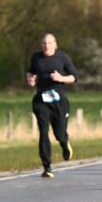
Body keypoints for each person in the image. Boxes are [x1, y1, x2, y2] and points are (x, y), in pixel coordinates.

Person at [27, 33, 79, 178]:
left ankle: (64, 143)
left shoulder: (62, 58)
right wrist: (30, 79)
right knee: (43, 132)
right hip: (41, 99)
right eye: (44, 43)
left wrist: (60, 78)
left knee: (59, 133)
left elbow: (75, 77)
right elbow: (31, 71)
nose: (46, 46)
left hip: (59, 100)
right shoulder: (36, 58)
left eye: (49, 43)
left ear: (55, 44)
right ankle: (47, 166)